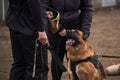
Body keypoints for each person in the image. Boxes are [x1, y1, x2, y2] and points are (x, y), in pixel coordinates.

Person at [44, 0, 94, 80]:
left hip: (75, 29)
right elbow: (46, 8)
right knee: (57, 60)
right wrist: (58, 28)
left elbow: (88, 8)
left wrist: (84, 31)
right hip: (55, 29)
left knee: (75, 62)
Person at [5, 0, 49, 80]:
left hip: (15, 23)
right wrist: (41, 29)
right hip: (30, 28)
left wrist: (43, 11)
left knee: (19, 65)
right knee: (38, 68)